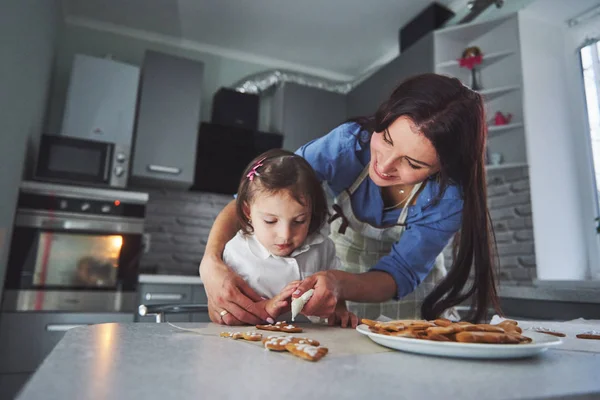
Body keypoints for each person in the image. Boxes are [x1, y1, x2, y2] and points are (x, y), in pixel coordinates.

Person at [200, 73, 500, 326]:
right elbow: (256, 193)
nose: (384, 166)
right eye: (386, 139)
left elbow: (401, 271)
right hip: (341, 289)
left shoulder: (448, 198)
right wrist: (211, 264)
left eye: (413, 164)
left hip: (413, 300)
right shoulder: (348, 145)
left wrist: (339, 282)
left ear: (443, 167)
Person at [218, 148, 358, 327]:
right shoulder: (236, 252)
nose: (285, 235)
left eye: (299, 221)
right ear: (248, 212)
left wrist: (339, 311)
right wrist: (267, 307)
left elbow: (335, 294)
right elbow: (230, 314)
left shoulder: (323, 247)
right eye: (270, 221)